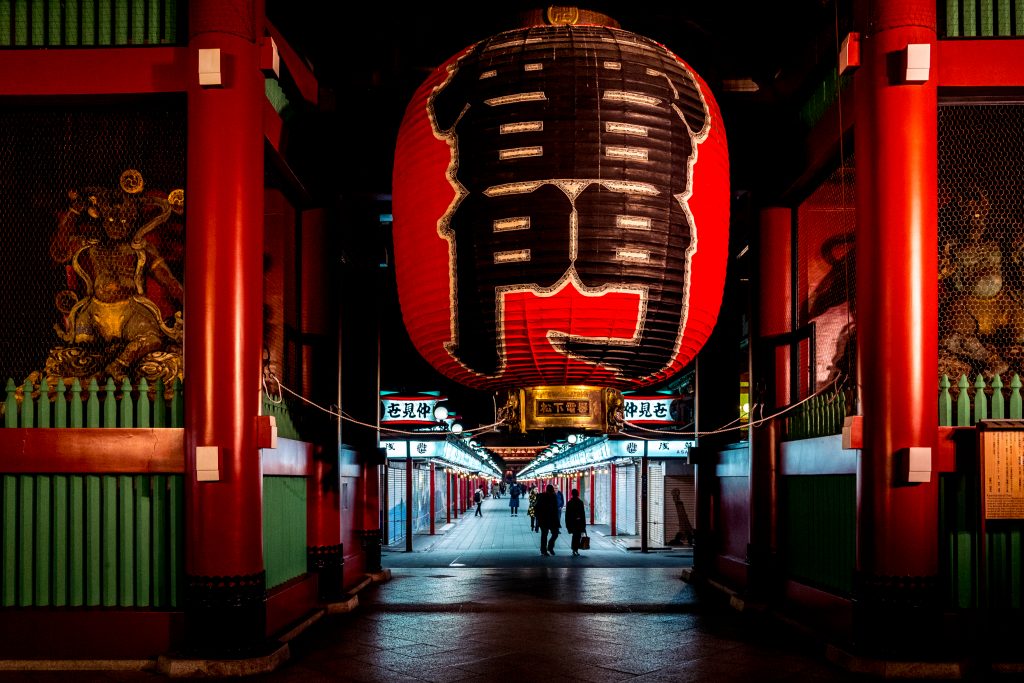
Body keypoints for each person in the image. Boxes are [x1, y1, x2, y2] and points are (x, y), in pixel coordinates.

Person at [535, 484, 560, 556]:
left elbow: (536, 507)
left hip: (544, 519)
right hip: (551, 519)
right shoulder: (552, 496)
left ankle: (544, 550)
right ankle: (549, 547)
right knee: (554, 534)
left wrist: (538, 518)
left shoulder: (542, 496)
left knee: (544, 535)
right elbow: (555, 509)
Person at [564, 488, 586, 556]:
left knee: (574, 535)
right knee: (578, 536)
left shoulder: (569, 503)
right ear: (578, 494)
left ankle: (574, 549)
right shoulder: (580, 502)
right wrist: (584, 524)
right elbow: (583, 514)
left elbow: (567, 514)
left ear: (572, 494)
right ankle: (575, 549)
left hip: (572, 522)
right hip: (579, 522)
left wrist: (567, 524)